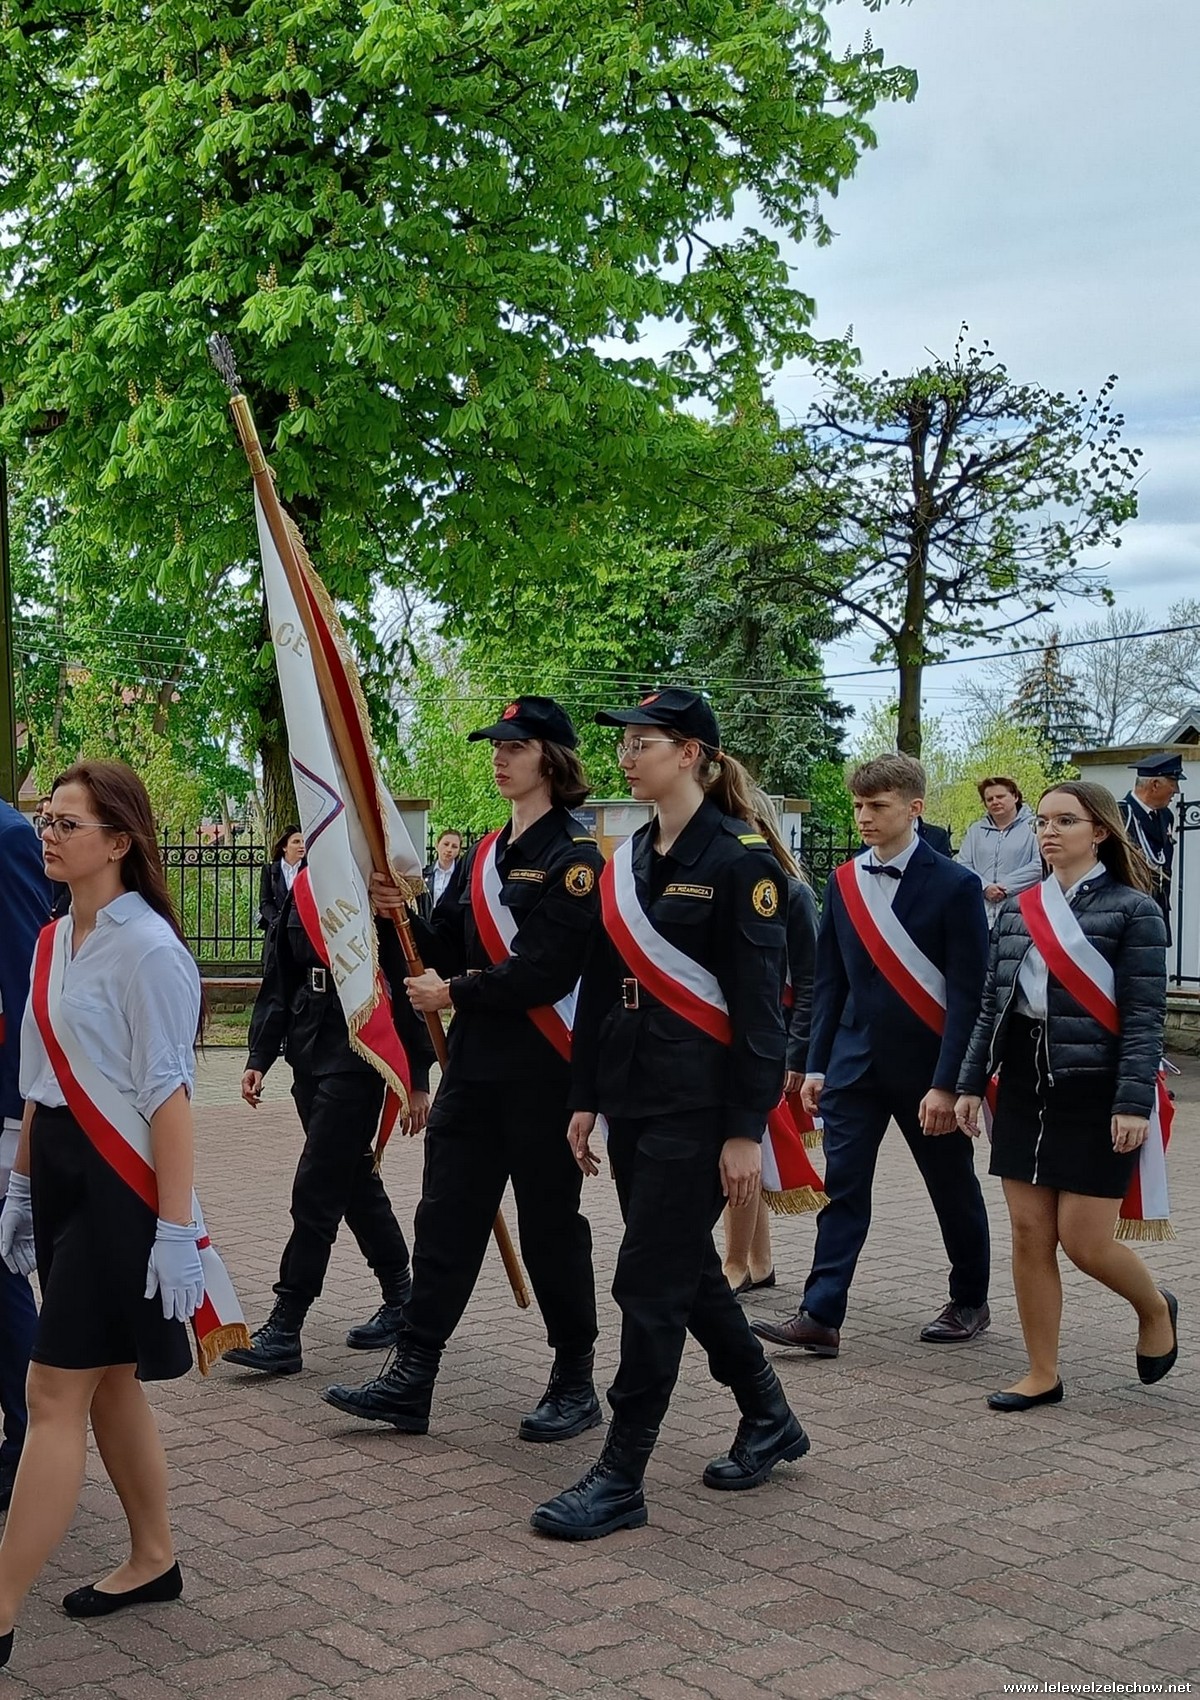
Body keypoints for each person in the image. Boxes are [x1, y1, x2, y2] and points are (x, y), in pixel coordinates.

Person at [530, 689, 810, 1542]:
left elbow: (761, 1014)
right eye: (624, 744)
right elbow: (598, 989)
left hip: (699, 1101)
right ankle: (768, 1413)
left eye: (643, 743)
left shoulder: (740, 863)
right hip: (632, 1093)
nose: (626, 756)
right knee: (683, 1267)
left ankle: (622, 1475)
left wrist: (745, 1129)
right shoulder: (627, 860)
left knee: (647, 1282)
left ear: (690, 754)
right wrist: (584, 1096)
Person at [0, 761, 240, 1671]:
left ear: (119, 841)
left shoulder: (150, 950)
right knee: (105, 1383)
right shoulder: (52, 939)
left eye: (67, 822)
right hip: (62, 1175)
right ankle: (154, 1556)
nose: (48, 834)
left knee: (51, 1391)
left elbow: (168, 1099)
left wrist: (174, 1231)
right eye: (45, 819)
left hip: (122, 1191)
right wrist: (22, 1190)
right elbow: (40, 1082)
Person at [323, 697, 602, 1443]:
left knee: (550, 1231)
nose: (500, 757)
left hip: (544, 1076)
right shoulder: (483, 855)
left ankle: (575, 1380)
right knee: (444, 1219)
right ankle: (412, 1378)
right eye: (496, 746)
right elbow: (443, 942)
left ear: (551, 760)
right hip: (474, 1073)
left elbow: (544, 971)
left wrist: (454, 993)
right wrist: (399, 916)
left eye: (515, 746)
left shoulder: (577, 862)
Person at [751, 753, 991, 1360]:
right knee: (843, 1189)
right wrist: (815, 1065)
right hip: (853, 1066)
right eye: (858, 805)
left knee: (950, 1187)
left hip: (928, 1071)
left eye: (877, 806)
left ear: (914, 808)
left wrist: (949, 1083)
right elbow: (829, 982)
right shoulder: (844, 881)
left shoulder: (956, 885)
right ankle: (820, 1314)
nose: (863, 816)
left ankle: (970, 1299)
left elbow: (969, 996)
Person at [956, 781, 1176, 1411]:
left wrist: (1131, 1102)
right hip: (1025, 1083)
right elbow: (991, 1007)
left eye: (1065, 821)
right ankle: (1042, 1372)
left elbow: (1144, 1018)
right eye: (1044, 822)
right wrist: (969, 1083)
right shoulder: (1019, 909)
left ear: (1099, 831)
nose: (1049, 832)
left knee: (1085, 1241)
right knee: (1029, 1233)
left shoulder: (1134, 910)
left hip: (1097, 1086)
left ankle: (1155, 1306)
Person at [223, 874, 435, 1375]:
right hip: (308, 1046)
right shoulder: (304, 889)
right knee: (353, 1180)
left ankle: (286, 1324)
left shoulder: (377, 885)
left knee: (317, 1186)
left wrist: (418, 1075)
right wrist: (259, 1055)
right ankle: (400, 1295)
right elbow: (280, 977)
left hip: (359, 1052)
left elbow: (408, 981)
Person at [721, 791, 818, 1295]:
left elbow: (809, 984)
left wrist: (796, 1055)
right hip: (722, 1031)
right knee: (744, 1149)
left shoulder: (792, 894)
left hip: (769, 1040)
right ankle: (757, 1260)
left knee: (744, 1146)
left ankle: (735, 1263)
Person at [0, 802, 49, 1516]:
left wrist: (17, 1118)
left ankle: (28, 1435)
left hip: (1, 1104)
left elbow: (24, 978)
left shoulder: (8, 839)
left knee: (1, 1272)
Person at [956, 776, 1042, 928]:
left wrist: (1005, 887)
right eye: (989, 799)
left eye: (1000, 796)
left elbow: (1039, 864)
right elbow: (963, 864)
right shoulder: (976, 830)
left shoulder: (1034, 827)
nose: (995, 802)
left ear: (1015, 797)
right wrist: (985, 887)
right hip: (981, 911)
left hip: (1019, 912)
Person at [1118, 754, 1183, 934]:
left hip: (1158, 908)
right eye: (1173, 783)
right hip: (1130, 908)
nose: (1177, 791)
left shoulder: (1166, 816)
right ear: (1155, 784)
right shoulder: (1121, 814)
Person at [257, 825, 305, 933]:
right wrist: (278, 921)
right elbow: (265, 903)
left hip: (302, 933)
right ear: (284, 847)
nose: (302, 846)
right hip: (276, 932)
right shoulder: (270, 870)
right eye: (296, 842)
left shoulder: (309, 870)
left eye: (303, 842)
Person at [417, 830, 463, 921]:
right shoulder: (423, 875)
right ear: (437, 845)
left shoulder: (462, 877)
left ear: (459, 851)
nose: (449, 849)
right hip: (426, 925)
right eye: (446, 844)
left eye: (454, 846)